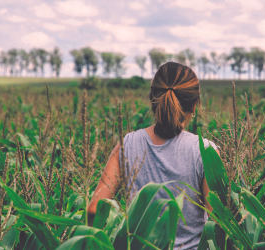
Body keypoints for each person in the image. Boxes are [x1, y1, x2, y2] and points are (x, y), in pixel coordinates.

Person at [87, 61, 217, 250]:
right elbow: (217, 223)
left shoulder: (127, 145)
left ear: (152, 100)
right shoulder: (205, 151)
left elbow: (93, 210)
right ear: (195, 106)